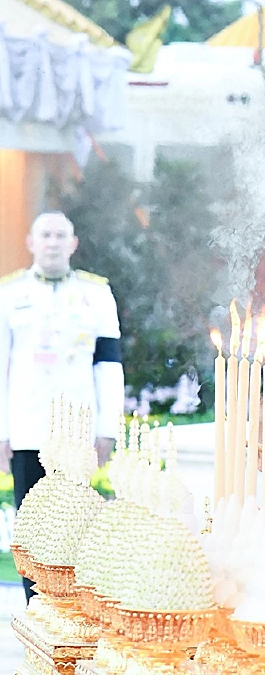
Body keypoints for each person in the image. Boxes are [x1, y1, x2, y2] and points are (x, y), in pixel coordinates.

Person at [0, 211, 125, 601]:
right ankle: (35, 607)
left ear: (73, 243)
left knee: (72, 524)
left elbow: (108, 364)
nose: (52, 243)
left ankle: (68, 610)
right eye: (45, 235)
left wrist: (106, 429)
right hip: (27, 429)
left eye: (60, 235)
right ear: (31, 243)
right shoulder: (9, 294)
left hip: (76, 433)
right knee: (31, 525)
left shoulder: (97, 294)